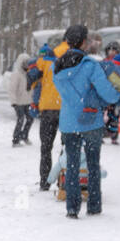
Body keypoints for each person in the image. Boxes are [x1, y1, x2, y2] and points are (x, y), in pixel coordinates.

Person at [52, 24, 120, 218]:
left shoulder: (57, 66)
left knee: (72, 165)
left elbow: (66, 94)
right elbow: (107, 93)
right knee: (93, 164)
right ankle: (93, 205)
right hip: (91, 121)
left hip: (68, 122)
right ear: (83, 41)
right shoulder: (90, 65)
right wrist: (116, 95)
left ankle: (72, 208)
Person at [32, 34, 70, 189]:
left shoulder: (46, 60)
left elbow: (33, 78)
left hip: (48, 108)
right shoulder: (75, 58)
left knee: (46, 147)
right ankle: (63, 179)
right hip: (67, 108)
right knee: (66, 147)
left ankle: (45, 181)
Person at [6, 53, 35, 144]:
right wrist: (13, 101)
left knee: (30, 118)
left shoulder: (29, 74)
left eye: (28, 63)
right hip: (18, 102)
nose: (26, 65)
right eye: (25, 63)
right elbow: (12, 89)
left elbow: (31, 88)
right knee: (20, 120)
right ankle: (16, 139)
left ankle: (24, 136)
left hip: (28, 101)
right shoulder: (16, 74)